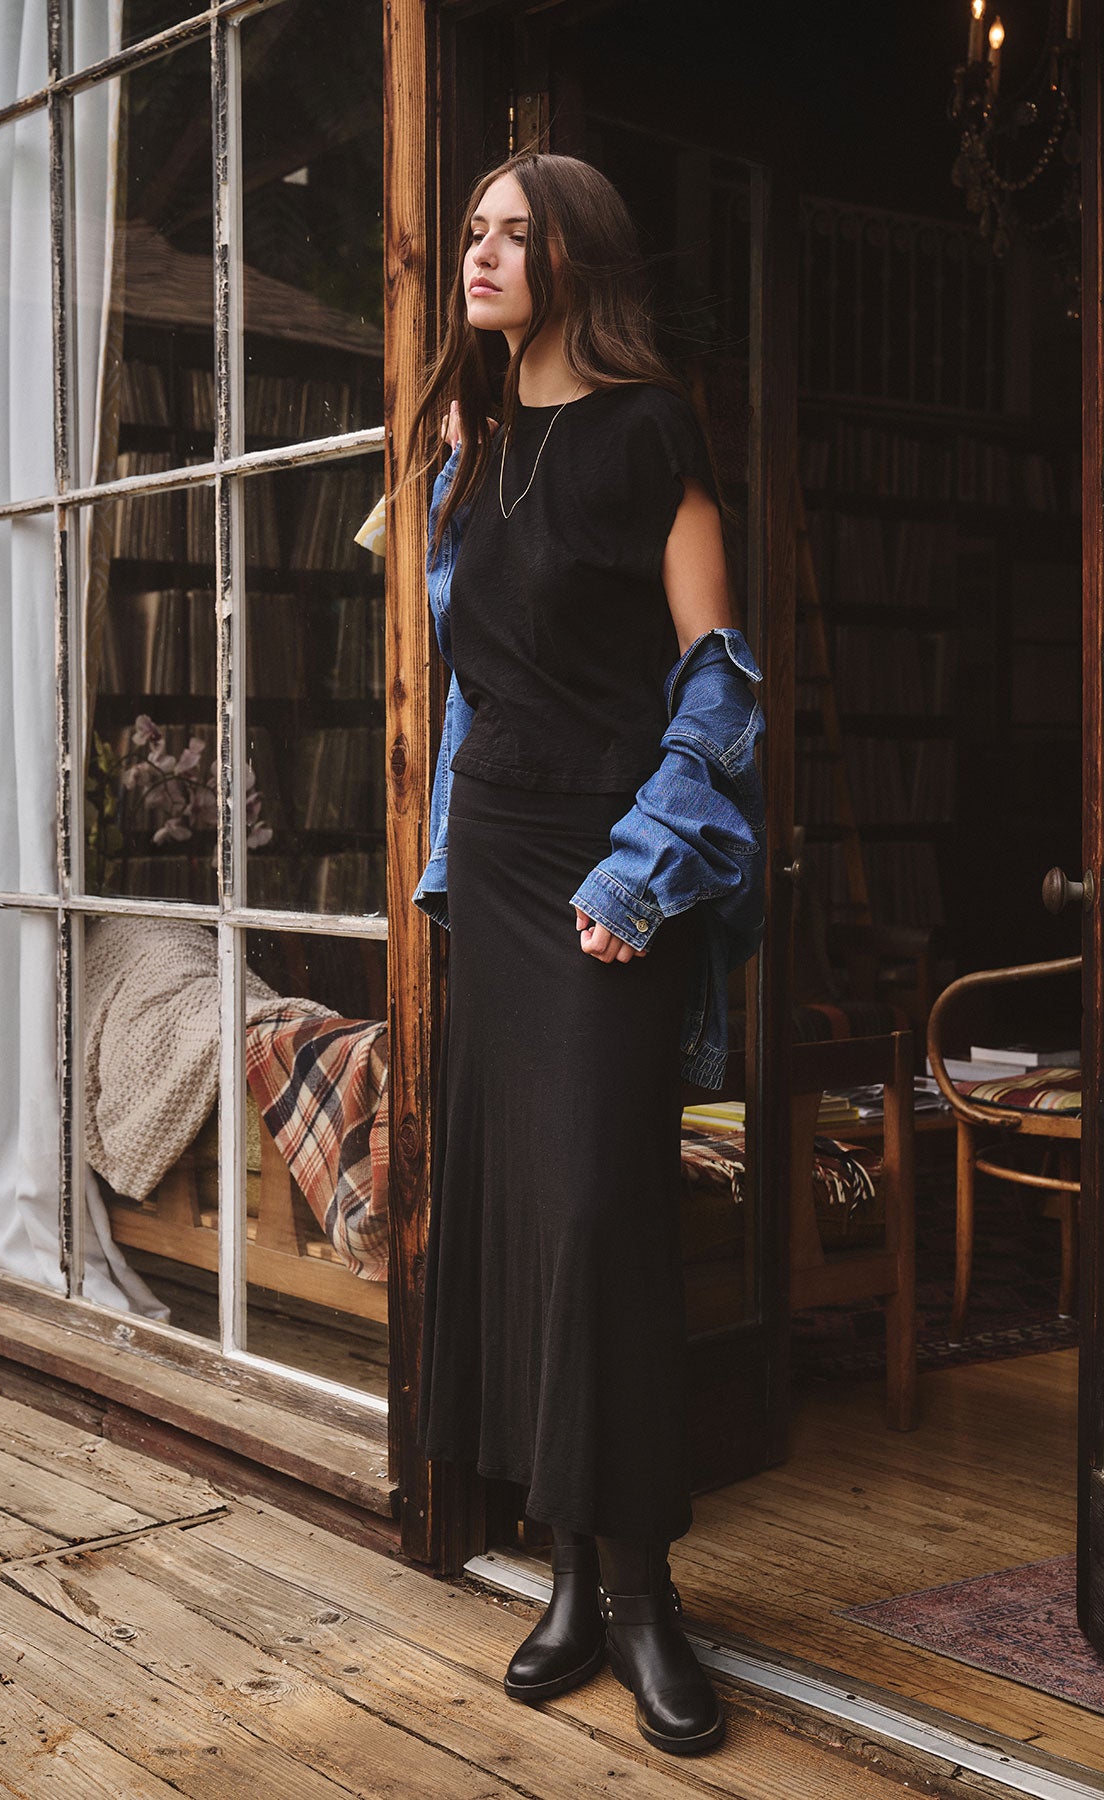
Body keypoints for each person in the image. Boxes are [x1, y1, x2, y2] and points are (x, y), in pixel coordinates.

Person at [397, 150, 766, 1758]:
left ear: (577, 258)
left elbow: (722, 679)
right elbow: (472, 692)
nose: (477, 255)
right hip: (495, 867)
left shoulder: (649, 432)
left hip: (611, 880)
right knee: (527, 1223)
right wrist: (438, 872)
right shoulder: (462, 459)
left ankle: (647, 1598)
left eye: (510, 234)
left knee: (608, 1217)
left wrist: (645, 871)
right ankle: (560, 1579)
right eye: (469, 232)